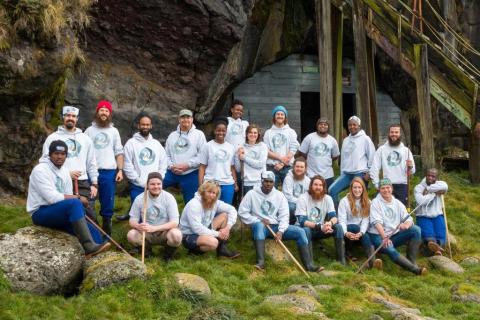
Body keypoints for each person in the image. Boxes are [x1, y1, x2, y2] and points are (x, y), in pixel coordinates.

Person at [27, 140, 110, 258]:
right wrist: (79, 198)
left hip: (59, 212)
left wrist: (78, 204)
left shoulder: (65, 171)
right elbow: (52, 198)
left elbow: (67, 196)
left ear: (66, 155)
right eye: (56, 153)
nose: (60, 157)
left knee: (94, 232)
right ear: (50, 154)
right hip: (41, 212)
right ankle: (88, 246)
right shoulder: (40, 170)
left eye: (63, 154)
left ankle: (94, 258)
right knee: (75, 203)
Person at [238, 171, 321, 272]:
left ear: (274, 182)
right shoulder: (251, 194)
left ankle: (309, 266)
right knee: (259, 226)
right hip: (261, 227)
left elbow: (284, 216)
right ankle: (261, 263)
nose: (268, 184)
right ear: (261, 181)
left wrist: (281, 231)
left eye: (271, 181)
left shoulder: (279, 195)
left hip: (276, 226)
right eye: (266, 181)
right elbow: (242, 212)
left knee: (300, 232)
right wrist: (258, 220)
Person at [42, 106, 99, 219]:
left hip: (82, 182)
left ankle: (92, 236)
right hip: (59, 182)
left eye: (73, 116)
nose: (70, 118)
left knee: (88, 214)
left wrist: (94, 183)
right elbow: (44, 162)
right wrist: (66, 173)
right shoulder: (52, 138)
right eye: (68, 115)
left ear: (77, 119)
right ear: (63, 117)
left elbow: (91, 162)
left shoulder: (85, 139)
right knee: (63, 213)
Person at [368, 178, 427, 275]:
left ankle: (411, 261)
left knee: (416, 230)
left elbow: (409, 219)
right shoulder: (375, 202)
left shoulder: (398, 203)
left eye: (388, 187)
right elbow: (376, 222)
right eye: (383, 188)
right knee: (390, 249)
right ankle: (415, 270)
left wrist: (406, 225)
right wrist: (384, 237)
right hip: (379, 236)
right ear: (379, 190)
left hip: (394, 235)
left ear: (392, 188)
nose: (386, 190)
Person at [117, 114, 167, 221]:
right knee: (138, 213)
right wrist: (138, 180)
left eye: (147, 124)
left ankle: (153, 232)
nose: (145, 127)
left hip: (154, 185)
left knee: (153, 213)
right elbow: (127, 164)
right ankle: (136, 229)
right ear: (138, 126)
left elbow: (163, 162)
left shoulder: (156, 144)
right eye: (143, 124)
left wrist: (159, 178)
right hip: (138, 185)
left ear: (151, 126)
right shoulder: (131, 143)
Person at [84, 100, 124, 235]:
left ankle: (107, 227)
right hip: (91, 171)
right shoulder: (89, 131)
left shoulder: (114, 131)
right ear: (97, 112)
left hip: (109, 171)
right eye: (101, 110)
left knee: (108, 200)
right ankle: (93, 227)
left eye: (106, 111)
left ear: (110, 114)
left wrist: (120, 170)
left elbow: (119, 152)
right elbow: (83, 151)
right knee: (89, 200)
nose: (104, 113)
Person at [127, 172, 182, 261]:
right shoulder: (140, 199)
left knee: (177, 235)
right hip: (146, 232)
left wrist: (154, 228)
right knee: (131, 235)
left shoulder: (169, 198)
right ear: (147, 185)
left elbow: (175, 222)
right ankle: (147, 252)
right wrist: (138, 226)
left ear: (162, 184)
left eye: (158, 184)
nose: (156, 186)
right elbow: (132, 220)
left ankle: (168, 255)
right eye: (152, 184)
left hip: (164, 232)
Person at [179, 180, 240, 258]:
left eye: (214, 193)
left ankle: (221, 250)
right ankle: (194, 252)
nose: (211, 195)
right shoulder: (194, 204)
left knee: (225, 216)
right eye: (209, 192)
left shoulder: (214, 202)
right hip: (189, 234)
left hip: (204, 228)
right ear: (203, 192)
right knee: (213, 243)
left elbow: (232, 210)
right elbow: (197, 229)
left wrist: (227, 228)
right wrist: (218, 234)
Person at [295, 175, 345, 265]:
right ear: (311, 186)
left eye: (320, 185)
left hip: (321, 229)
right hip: (307, 229)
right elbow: (302, 221)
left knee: (338, 227)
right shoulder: (303, 198)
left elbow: (334, 217)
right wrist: (319, 226)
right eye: (315, 185)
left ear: (323, 187)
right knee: (306, 230)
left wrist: (329, 223)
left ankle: (341, 261)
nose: (318, 187)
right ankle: (310, 263)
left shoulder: (328, 198)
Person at [329, 116, 375, 206]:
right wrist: (342, 172)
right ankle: (337, 216)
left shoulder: (365, 139)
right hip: (347, 174)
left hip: (360, 173)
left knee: (357, 198)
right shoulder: (346, 140)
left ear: (359, 126)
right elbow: (343, 159)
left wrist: (370, 173)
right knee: (332, 190)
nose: (352, 127)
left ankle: (362, 217)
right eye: (350, 125)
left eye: (354, 124)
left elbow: (372, 156)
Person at [163, 109, 207, 204]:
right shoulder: (172, 135)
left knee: (192, 202)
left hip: (191, 172)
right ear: (179, 119)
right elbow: (165, 155)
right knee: (153, 184)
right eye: (183, 117)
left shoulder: (199, 135)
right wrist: (171, 166)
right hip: (172, 172)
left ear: (192, 119)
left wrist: (187, 165)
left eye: (188, 117)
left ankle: (190, 217)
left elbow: (203, 156)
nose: (185, 119)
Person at [337, 177, 380, 269]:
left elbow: (366, 220)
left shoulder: (367, 202)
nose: (357, 190)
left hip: (360, 232)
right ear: (351, 189)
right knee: (353, 227)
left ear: (363, 189)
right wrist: (345, 232)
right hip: (347, 231)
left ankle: (372, 262)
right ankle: (348, 252)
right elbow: (342, 220)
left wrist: (361, 232)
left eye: (359, 187)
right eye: (355, 187)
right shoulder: (344, 201)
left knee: (365, 234)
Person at [370, 124, 415, 206]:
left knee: (402, 212)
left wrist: (410, 166)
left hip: (402, 185)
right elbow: (374, 169)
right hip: (386, 185)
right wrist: (377, 185)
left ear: (400, 134)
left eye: (396, 132)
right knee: (385, 211)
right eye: (392, 132)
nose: (394, 134)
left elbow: (412, 171)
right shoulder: (381, 150)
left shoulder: (406, 151)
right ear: (389, 133)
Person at [198, 118, 238, 204]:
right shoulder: (208, 146)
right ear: (214, 131)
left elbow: (232, 167)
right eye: (218, 130)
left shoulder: (231, 147)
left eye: (223, 130)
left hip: (227, 183)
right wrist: (201, 184)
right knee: (209, 209)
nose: (221, 133)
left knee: (225, 210)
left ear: (226, 131)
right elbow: (202, 167)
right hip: (210, 183)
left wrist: (235, 183)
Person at [296, 118, 340, 188]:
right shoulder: (309, 137)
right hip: (311, 174)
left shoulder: (332, 140)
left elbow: (336, 155)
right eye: (320, 124)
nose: (323, 126)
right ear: (317, 126)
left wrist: (326, 159)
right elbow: (301, 152)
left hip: (327, 174)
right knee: (311, 195)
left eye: (325, 124)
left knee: (328, 194)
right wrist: (309, 159)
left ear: (328, 127)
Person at [414, 168, 449, 256]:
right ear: (425, 175)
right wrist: (434, 193)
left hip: (437, 214)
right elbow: (421, 201)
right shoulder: (418, 187)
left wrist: (429, 190)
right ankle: (432, 245)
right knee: (428, 232)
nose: (430, 178)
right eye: (428, 175)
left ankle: (437, 249)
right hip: (423, 215)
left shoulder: (440, 184)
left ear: (436, 178)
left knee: (441, 232)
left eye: (433, 176)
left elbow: (445, 186)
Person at [264, 106, 299, 188]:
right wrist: (280, 159)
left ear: (285, 117)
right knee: (271, 193)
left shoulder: (291, 132)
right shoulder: (268, 133)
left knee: (288, 192)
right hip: (272, 167)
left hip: (287, 168)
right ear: (274, 116)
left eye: (282, 114)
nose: (280, 116)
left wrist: (282, 163)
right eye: (278, 114)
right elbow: (266, 151)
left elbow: (293, 148)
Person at [234, 124, 268, 194]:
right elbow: (238, 169)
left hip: (260, 182)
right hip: (246, 183)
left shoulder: (263, 146)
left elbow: (260, 164)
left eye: (255, 133)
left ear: (258, 134)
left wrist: (244, 158)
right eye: (250, 132)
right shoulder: (241, 147)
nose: (253, 134)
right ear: (246, 134)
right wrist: (237, 155)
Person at [282, 157, 310, 225]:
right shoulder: (288, 179)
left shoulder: (308, 180)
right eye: (297, 166)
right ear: (293, 167)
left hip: (303, 203)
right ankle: (290, 224)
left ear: (305, 169)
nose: (299, 169)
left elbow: (309, 196)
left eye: (301, 167)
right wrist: (301, 202)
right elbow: (288, 197)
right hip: (291, 203)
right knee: (291, 207)